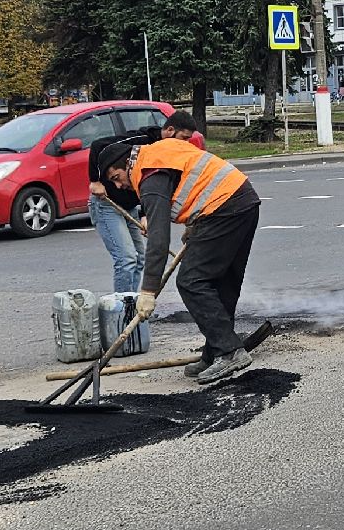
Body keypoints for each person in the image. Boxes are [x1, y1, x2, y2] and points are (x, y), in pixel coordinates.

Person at [98, 127, 261, 384]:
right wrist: (193, 223)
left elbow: (159, 242)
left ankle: (229, 351)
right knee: (221, 282)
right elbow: (194, 179)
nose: (119, 185)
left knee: (191, 281)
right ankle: (217, 350)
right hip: (242, 200)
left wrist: (148, 292)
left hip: (224, 209)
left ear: (126, 163)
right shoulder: (159, 151)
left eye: (116, 177)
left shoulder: (148, 176)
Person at [85, 111, 205, 296]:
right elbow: (98, 145)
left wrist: (145, 215)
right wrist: (96, 181)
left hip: (131, 206)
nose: (185, 143)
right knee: (127, 259)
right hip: (107, 204)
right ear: (170, 130)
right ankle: (122, 310)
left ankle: (133, 303)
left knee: (139, 258)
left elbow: (152, 188)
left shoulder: (169, 152)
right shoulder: (142, 139)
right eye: (183, 138)